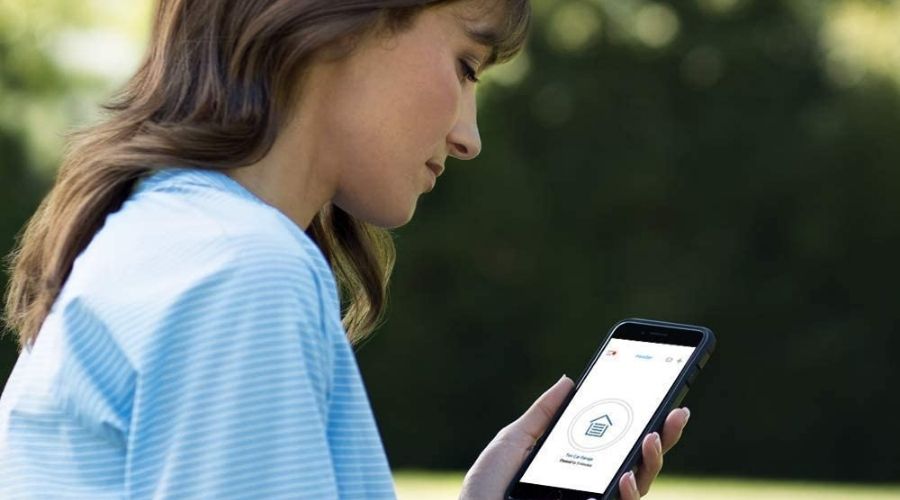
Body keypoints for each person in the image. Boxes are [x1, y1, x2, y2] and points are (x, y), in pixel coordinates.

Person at [0, 0, 691, 498]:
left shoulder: (157, 239)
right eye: (467, 65)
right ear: (342, 22)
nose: (468, 136)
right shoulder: (245, 273)